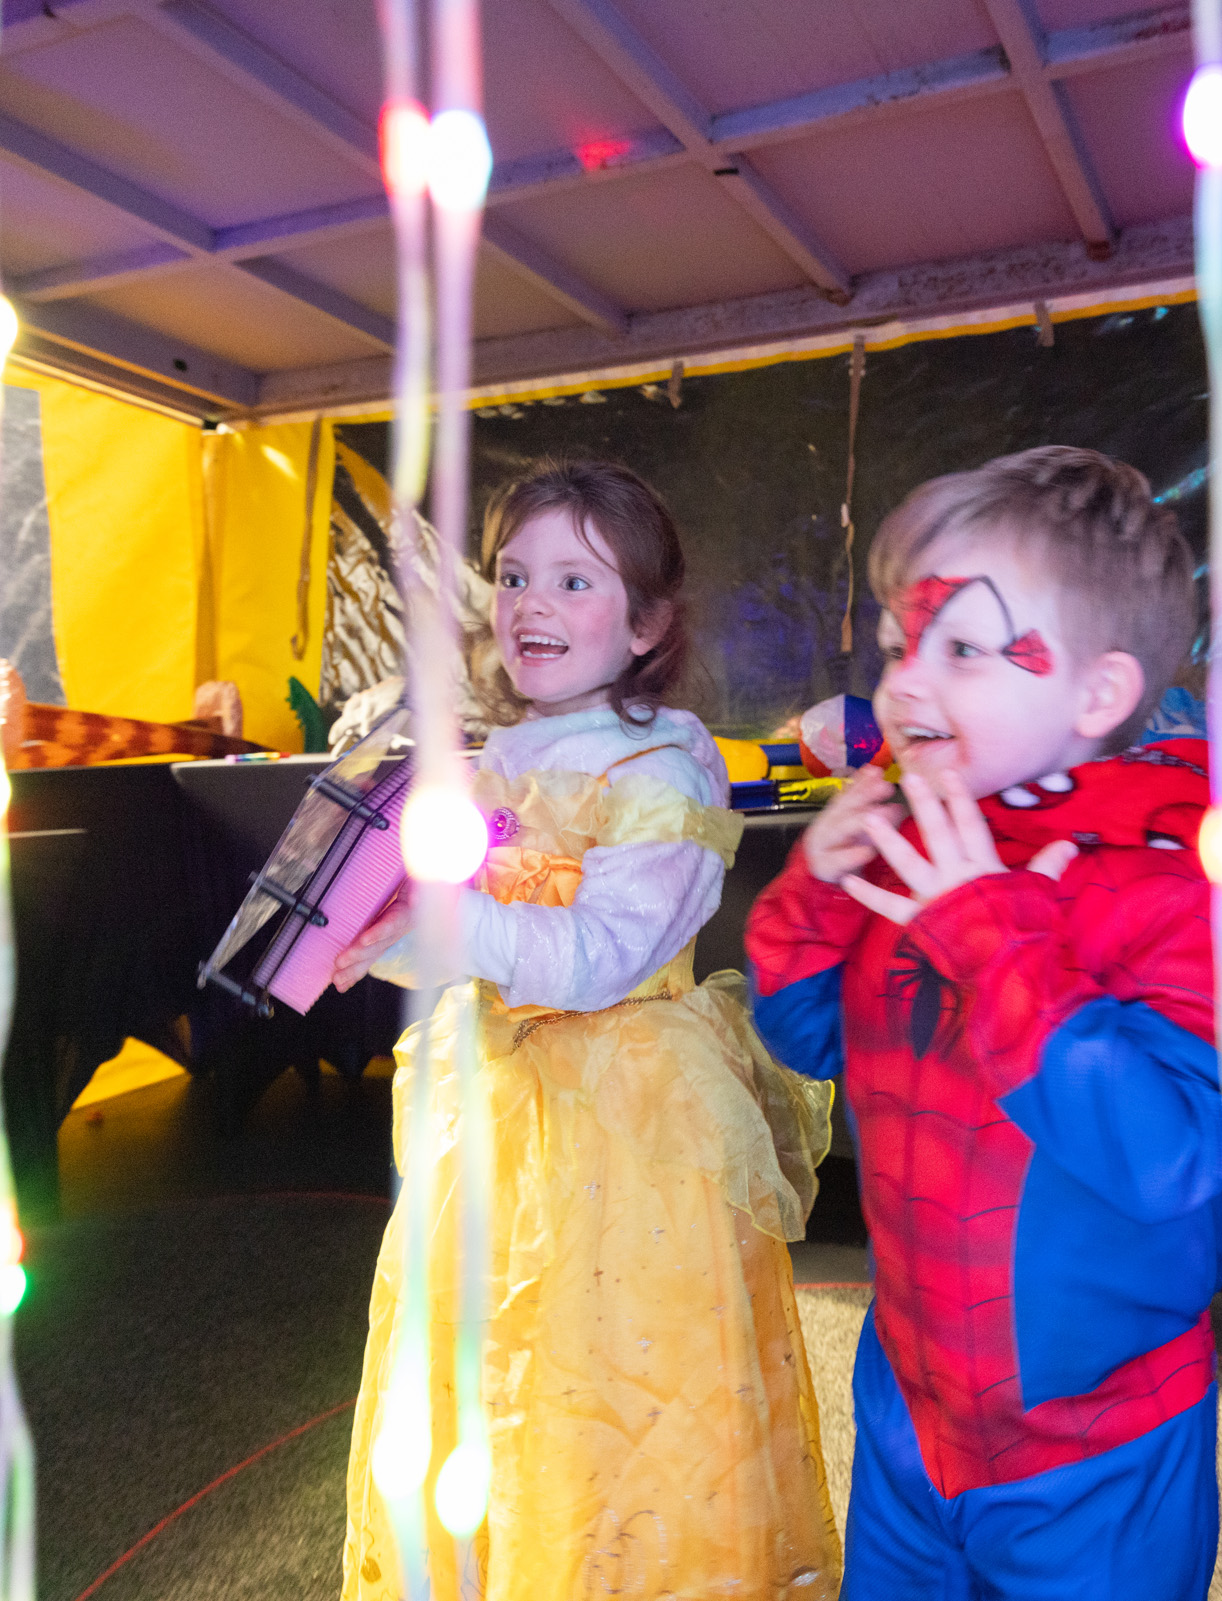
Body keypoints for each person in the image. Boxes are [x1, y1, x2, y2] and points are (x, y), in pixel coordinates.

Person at [746, 447, 1222, 1600]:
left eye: (962, 649)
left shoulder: (1176, 883)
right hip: (909, 1411)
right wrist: (817, 890)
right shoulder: (922, 838)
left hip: (1097, 1452)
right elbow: (809, 1037)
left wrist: (991, 938)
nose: (903, 686)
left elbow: (1180, 1150)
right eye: (899, 644)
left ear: (1097, 693)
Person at [330, 460, 841, 1601]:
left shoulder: (665, 764)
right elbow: (462, 936)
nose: (531, 603)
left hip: (634, 1117)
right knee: (498, 1363)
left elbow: (604, 950)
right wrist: (382, 940)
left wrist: (455, 924)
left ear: (647, 623)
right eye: (514, 575)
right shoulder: (495, 759)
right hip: (502, 1106)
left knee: (624, 1371)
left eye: (574, 579)